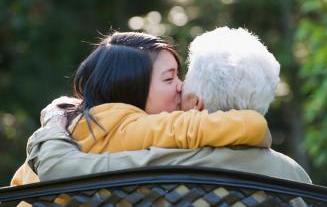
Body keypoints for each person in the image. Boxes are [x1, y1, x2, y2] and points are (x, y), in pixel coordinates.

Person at [24, 26, 311, 184]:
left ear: (197, 102)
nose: (180, 86)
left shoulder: (145, 155)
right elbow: (254, 125)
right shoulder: (293, 174)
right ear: (131, 86)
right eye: (170, 78)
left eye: (179, 76)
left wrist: (51, 126)